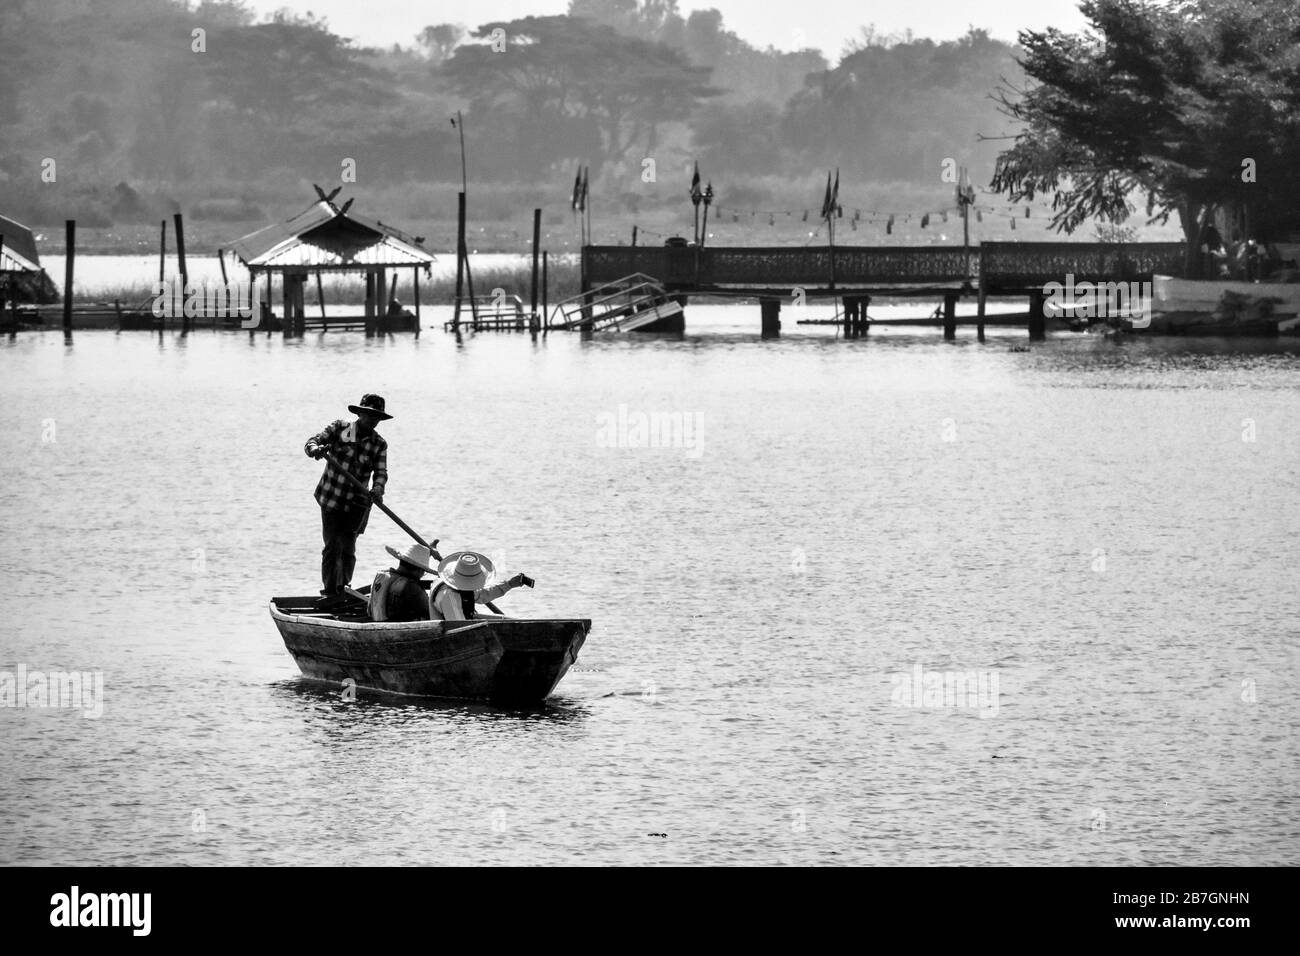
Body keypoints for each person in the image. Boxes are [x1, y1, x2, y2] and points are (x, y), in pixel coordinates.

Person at [304, 394, 391, 595]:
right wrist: (315, 450)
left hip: (357, 504)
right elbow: (312, 442)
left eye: (376, 417)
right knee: (332, 546)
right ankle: (330, 591)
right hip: (331, 498)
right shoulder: (341, 429)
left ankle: (343, 588)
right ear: (359, 413)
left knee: (348, 549)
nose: (372, 420)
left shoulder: (379, 444)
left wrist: (378, 488)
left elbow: (381, 472)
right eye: (368, 415)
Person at [429, 551, 535, 622]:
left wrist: (510, 584)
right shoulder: (449, 596)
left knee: (509, 620)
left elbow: (483, 595)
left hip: (466, 622)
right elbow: (458, 628)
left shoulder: (461, 588)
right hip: (451, 639)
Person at [368, 543, 438, 622]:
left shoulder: (383, 577)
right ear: (419, 570)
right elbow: (431, 612)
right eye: (424, 572)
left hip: (379, 623)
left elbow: (369, 609)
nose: (422, 575)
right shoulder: (410, 586)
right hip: (402, 630)